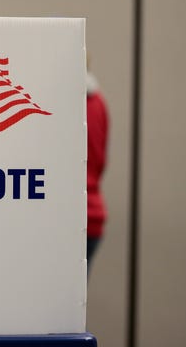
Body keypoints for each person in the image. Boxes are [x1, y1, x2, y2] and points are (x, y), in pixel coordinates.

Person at [86, 68, 109, 274]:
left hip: (71, 219)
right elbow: (100, 162)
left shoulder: (62, 102)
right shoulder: (99, 102)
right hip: (94, 214)